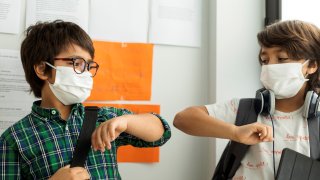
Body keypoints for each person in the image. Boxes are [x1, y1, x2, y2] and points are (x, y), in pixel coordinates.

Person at [0, 20, 171, 179]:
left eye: (88, 65)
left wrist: (126, 121)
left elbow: (161, 132)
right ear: (42, 69)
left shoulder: (105, 118)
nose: (86, 73)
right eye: (77, 63)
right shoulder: (14, 139)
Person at [174, 20, 320, 180]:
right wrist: (235, 132)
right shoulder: (244, 110)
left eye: (282, 58)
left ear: (312, 65)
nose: (270, 66)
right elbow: (182, 119)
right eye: (265, 60)